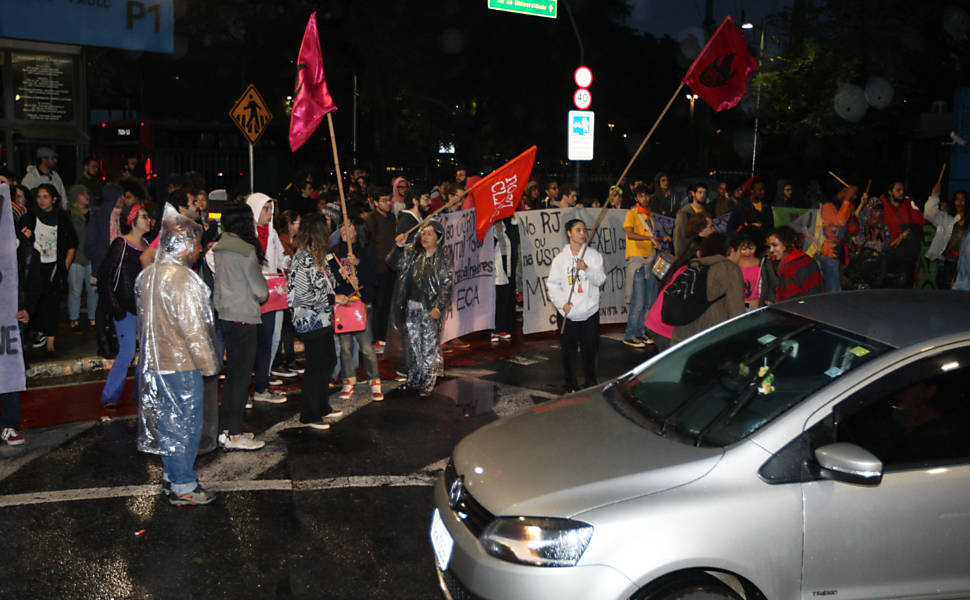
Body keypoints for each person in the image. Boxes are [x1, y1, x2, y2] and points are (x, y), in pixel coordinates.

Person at [135, 204, 219, 506]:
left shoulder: (149, 276)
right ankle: (184, 483)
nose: (198, 249)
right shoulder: (184, 280)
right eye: (196, 243)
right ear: (183, 244)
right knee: (185, 424)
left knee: (169, 423)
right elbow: (194, 330)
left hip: (156, 364)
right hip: (182, 365)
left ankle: (172, 476)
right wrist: (209, 365)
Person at [212, 206, 269, 450]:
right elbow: (261, 291)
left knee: (233, 375)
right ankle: (235, 434)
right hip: (245, 316)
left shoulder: (219, 248)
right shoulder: (246, 251)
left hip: (225, 315)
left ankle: (225, 430)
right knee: (241, 376)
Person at [288, 213, 345, 428]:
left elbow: (327, 283)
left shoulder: (318, 256)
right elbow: (301, 296)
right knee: (316, 365)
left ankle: (322, 405)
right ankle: (309, 413)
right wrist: (332, 298)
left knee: (328, 360)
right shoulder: (302, 259)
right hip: (309, 319)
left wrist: (341, 276)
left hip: (322, 317)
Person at [386, 221, 454, 397]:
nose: (425, 237)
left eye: (430, 234)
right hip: (411, 307)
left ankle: (427, 382)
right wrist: (398, 246)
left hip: (430, 310)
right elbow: (393, 263)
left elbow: (447, 285)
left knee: (428, 347)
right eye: (423, 233)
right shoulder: (412, 253)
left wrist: (438, 307)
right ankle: (414, 380)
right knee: (412, 345)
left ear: (438, 239)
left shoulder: (443, 260)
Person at [97, 203, 150, 410]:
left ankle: (140, 393)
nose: (149, 220)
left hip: (143, 307)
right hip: (125, 308)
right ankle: (110, 395)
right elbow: (104, 276)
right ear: (132, 220)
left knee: (146, 353)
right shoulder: (121, 244)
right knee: (127, 352)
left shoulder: (147, 245)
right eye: (144, 216)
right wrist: (115, 307)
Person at [546, 219, 606, 392]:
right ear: (569, 233)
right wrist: (560, 303)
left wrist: (587, 269)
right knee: (568, 352)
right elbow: (552, 284)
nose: (582, 233)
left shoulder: (593, 256)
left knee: (590, 350)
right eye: (578, 230)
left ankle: (591, 383)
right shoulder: (560, 260)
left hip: (589, 312)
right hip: (568, 313)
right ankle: (571, 385)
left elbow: (601, 280)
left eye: (584, 230)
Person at [19, 184, 77, 353]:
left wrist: (63, 266)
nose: (42, 200)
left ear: (54, 199)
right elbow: (21, 240)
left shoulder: (62, 217)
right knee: (35, 302)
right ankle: (37, 333)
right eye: (39, 197)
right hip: (35, 267)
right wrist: (25, 236)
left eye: (45, 197)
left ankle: (50, 342)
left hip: (55, 265)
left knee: (53, 303)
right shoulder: (30, 216)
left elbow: (72, 244)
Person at [329, 220, 383, 402]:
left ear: (358, 230)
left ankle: (374, 380)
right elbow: (329, 278)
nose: (344, 229)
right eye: (342, 226)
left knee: (367, 346)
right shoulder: (334, 251)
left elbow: (374, 276)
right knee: (345, 347)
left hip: (362, 304)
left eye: (349, 226)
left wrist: (358, 264)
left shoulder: (367, 250)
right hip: (342, 304)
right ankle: (348, 379)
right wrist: (341, 276)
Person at [246, 193, 289, 403]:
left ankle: (261, 387)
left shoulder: (272, 234)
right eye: (266, 209)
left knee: (267, 341)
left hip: (270, 295)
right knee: (249, 344)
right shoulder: (244, 234)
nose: (270, 214)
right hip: (248, 297)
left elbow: (281, 259)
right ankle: (244, 392)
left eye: (271, 209)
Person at [670, 232, 746, 344]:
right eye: (740, 251)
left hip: (682, 338)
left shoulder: (694, 265)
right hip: (709, 340)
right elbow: (737, 313)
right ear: (731, 251)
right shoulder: (730, 269)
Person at [622, 185, 661, 348]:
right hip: (638, 261)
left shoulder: (650, 216)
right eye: (641, 196)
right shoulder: (632, 214)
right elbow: (629, 234)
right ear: (636, 198)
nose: (644, 198)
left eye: (646, 195)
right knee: (638, 301)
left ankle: (640, 332)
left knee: (648, 301)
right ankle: (630, 334)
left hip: (650, 261)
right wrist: (648, 239)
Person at [364, 187, 396, 352]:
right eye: (384, 200)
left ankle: (384, 337)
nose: (388, 203)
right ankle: (377, 338)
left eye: (389, 200)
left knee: (389, 303)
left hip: (392, 267)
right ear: (375, 203)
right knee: (379, 305)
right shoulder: (371, 219)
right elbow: (368, 245)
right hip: (378, 269)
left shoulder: (391, 217)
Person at [877, 180, 924, 288]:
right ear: (890, 192)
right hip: (887, 256)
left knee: (905, 294)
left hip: (906, 258)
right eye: (898, 190)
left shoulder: (909, 204)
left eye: (902, 190)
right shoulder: (880, 205)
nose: (902, 192)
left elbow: (920, 221)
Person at [273, 210, 302, 376]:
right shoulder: (280, 241)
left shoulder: (296, 241)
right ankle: (279, 362)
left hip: (292, 288)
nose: (300, 225)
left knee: (288, 326)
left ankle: (290, 360)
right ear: (290, 224)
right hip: (281, 288)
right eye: (298, 222)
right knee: (282, 326)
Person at [924, 184, 967, 289]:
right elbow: (929, 214)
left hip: (965, 266)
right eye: (957, 199)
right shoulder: (947, 219)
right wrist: (934, 196)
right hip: (948, 263)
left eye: (963, 200)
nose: (959, 203)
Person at [67, 185, 97, 330]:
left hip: (91, 257)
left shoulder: (93, 214)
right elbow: (71, 239)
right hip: (76, 258)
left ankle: (93, 318)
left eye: (87, 193)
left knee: (93, 290)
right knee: (75, 290)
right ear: (76, 196)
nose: (87, 196)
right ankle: (74, 318)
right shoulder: (70, 215)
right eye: (83, 193)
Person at [765, 226, 823, 301]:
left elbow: (789, 300)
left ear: (787, 243)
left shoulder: (788, 266)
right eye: (769, 246)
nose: (771, 250)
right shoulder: (806, 258)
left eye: (775, 245)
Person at [674, 183, 709, 257]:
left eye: (704, 193)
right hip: (688, 252)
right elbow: (679, 236)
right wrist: (680, 256)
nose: (702, 195)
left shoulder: (706, 213)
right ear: (693, 194)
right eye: (700, 192)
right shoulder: (684, 213)